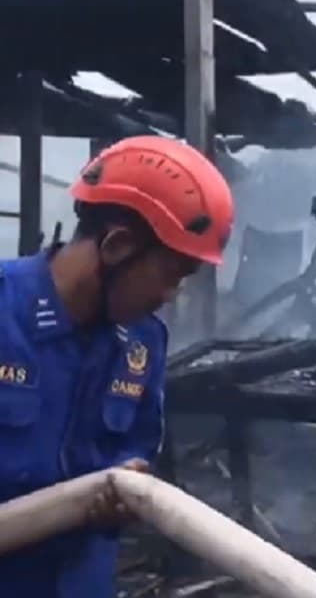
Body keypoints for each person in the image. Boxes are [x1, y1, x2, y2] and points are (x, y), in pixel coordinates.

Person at [0, 135, 233, 597]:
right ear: (117, 246)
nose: (170, 297)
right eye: (171, 275)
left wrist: (127, 486)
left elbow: (137, 448)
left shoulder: (142, 342)